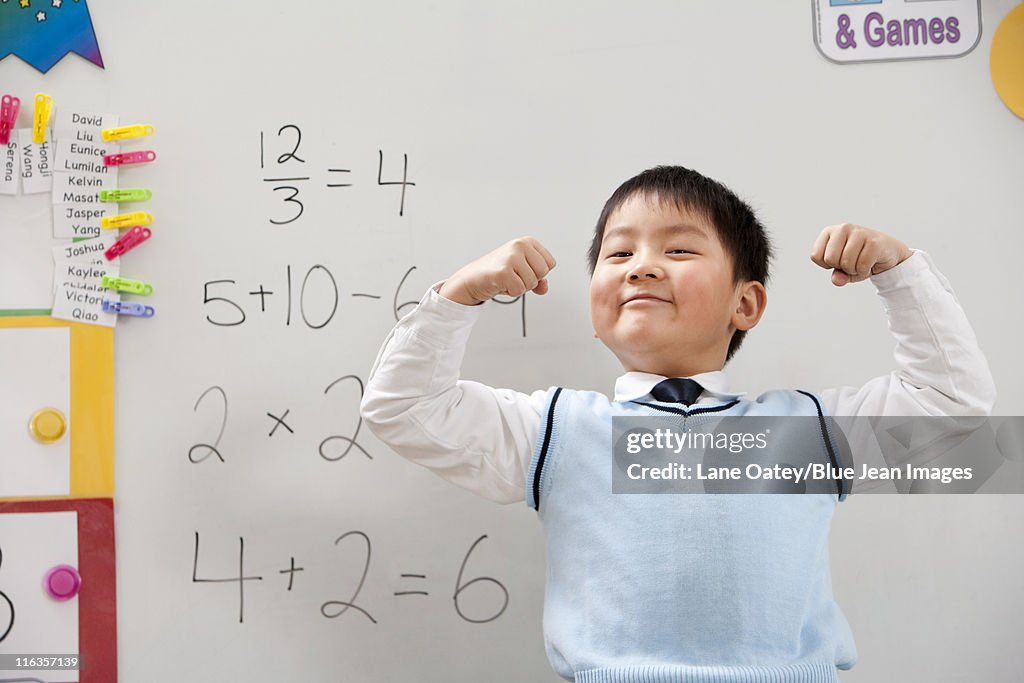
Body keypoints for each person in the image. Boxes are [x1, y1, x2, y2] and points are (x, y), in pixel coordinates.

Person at [359, 165, 995, 682]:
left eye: (680, 249)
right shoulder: (556, 430)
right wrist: (457, 297)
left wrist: (900, 273)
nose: (640, 266)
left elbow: (953, 408)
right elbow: (401, 406)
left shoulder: (803, 431)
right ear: (594, 307)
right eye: (618, 254)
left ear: (745, 303)